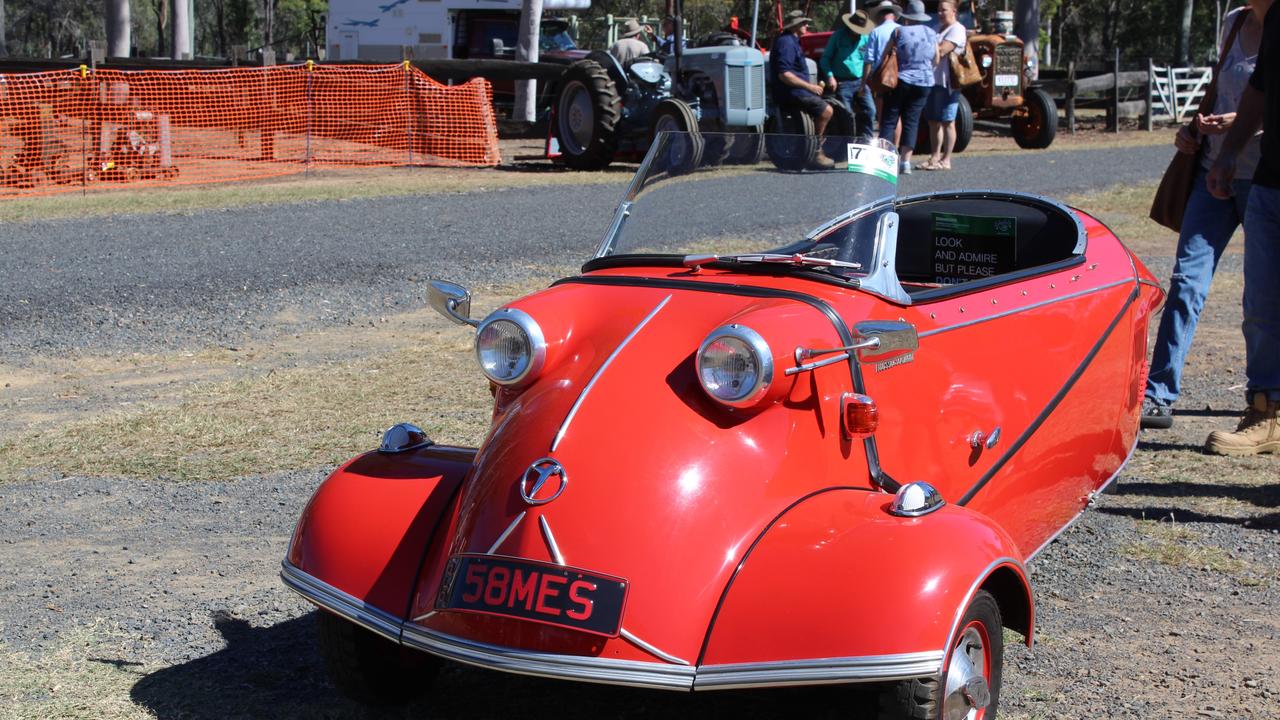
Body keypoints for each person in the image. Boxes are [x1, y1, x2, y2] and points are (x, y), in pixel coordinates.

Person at [1142, 0, 1268, 430]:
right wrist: (1194, 128)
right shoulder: (1234, 22)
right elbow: (1220, 87)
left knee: (1262, 295)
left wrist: (1244, 123)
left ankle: (1264, 402)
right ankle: (1157, 395)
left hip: (1263, 179)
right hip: (1213, 172)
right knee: (1185, 282)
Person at [1205, 0, 1280, 455]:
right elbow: (1261, 87)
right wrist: (1230, 152)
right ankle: (1266, 412)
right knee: (1261, 304)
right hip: (1270, 181)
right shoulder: (1276, 22)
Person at [876, 0, 937, 174]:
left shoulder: (899, 31)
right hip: (924, 81)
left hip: (902, 80)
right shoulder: (931, 33)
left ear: (907, 16)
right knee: (912, 121)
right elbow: (936, 58)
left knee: (889, 119)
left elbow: (885, 55)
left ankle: (885, 160)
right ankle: (906, 162)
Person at [771, 10, 835, 168]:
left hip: (798, 91)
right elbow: (784, 75)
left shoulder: (792, 41)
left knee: (832, 107)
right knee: (826, 111)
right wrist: (810, 86)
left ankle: (812, 147)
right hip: (791, 93)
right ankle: (815, 151)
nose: (806, 25)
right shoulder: (786, 43)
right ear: (794, 26)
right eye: (803, 23)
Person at [920, 0, 967, 170]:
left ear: (954, 11)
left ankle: (946, 160)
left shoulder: (957, 29)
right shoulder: (938, 29)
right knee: (933, 121)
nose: (940, 13)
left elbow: (942, 50)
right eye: (938, 10)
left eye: (944, 10)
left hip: (948, 83)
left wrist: (925, 48)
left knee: (948, 121)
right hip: (933, 80)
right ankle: (934, 157)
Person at [820, 10, 876, 142]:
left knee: (870, 110)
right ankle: (848, 143)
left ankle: (867, 141)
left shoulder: (865, 39)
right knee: (847, 115)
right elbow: (825, 58)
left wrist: (866, 80)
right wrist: (830, 76)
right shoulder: (838, 36)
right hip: (842, 82)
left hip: (860, 81)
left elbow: (868, 61)